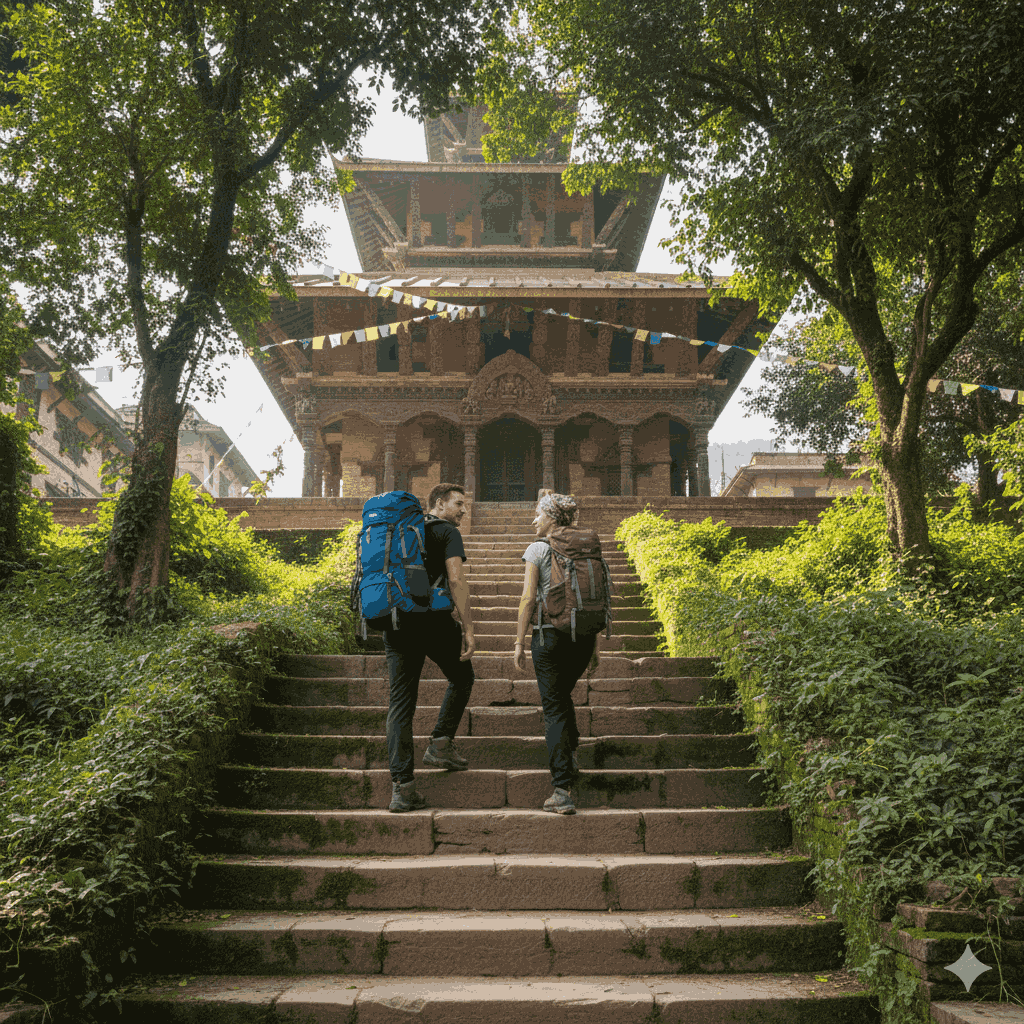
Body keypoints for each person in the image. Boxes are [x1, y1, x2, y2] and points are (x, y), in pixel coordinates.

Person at [383, 483, 476, 813]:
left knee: (400, 704)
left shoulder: (396, 530)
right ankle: (439, 743)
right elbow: (456, 580)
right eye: (459, 504)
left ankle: (402, 788)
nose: (464, 511)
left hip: (396, 621)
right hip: (433, 621)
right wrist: (468, 628)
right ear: (439, 503)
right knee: (462, 677)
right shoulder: (446, 532)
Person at [512, 491, 601, 815]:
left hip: (548, 638)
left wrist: (520, 642)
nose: (534, 520)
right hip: (583, 639)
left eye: (539, 514)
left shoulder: (538, 548)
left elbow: (527, 599)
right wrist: (595, 646)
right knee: (562, 699)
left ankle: (561, 790)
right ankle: (571, 753)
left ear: (552, 518)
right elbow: (591, 596)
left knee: (554, 708)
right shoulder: (586, 548)